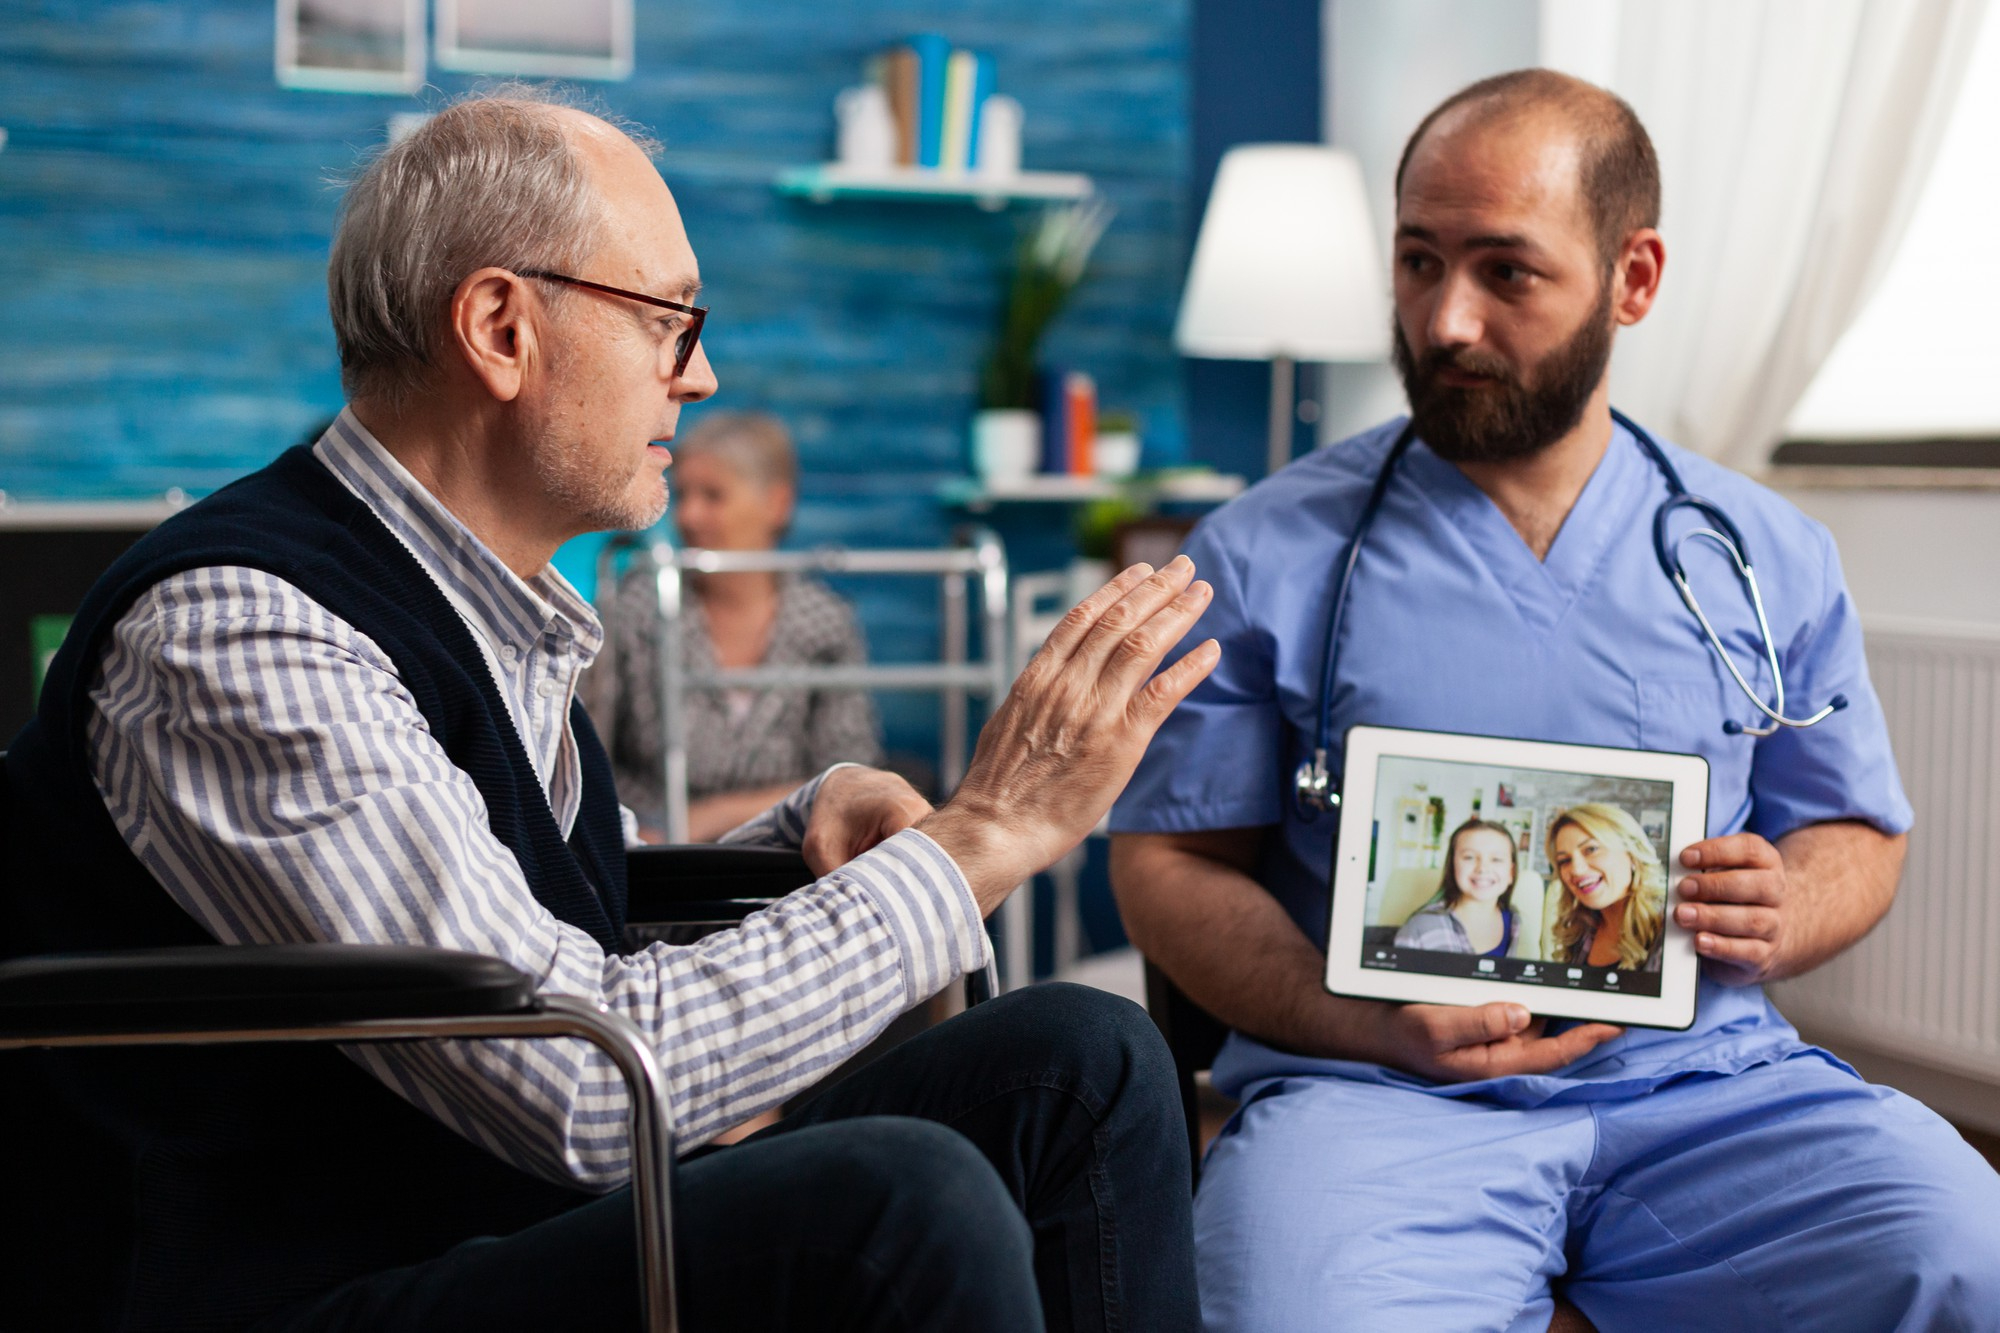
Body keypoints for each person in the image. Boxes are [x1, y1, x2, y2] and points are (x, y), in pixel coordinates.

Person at [0, 87, 1223, 1332]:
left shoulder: (493, 609)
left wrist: (807, 827)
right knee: (901, 1199)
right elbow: (575, 1084)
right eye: (667, 318)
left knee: (1084, 1057)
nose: (700, 373)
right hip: (278, 1283)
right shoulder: (245, 634)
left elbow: (554, 909)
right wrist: (977, 841)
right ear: (499, 327)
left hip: (475, 1221)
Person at [1108, 68, 2000, 1330]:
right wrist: (1345, 1016)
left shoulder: (1763, 554)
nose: (1445, 321)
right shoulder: (1259, 550)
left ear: (1632, 278)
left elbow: (1857, 831)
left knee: (1960, 1253)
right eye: (1416, 262)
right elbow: (1167, 860)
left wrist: (1788, 902)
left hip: (1703, 1085)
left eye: (1503, 272)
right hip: (1379, 1096)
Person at [583, 410, 885, 841]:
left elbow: (852, 774)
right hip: (651, 860)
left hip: (789, 860)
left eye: (713, 496)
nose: (687, 516)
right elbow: (585, 752)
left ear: (776, 504)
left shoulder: (824, 622)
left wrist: (705, 819)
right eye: (683, 494)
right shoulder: (635, 607)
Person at [1545, 802, 1664, 972]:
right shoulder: (1579, 930)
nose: (1576, 869)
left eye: (1591, 849)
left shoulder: (1669, 929)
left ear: (1631, 854)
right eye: (1564, 860)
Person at [1392, 817, 1520, 956]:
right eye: (1469, 857)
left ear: (1511, 873)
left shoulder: (1514, 920)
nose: (1483, 868)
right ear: (1452, 866)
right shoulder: (1419, 927)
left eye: (1496, 859)